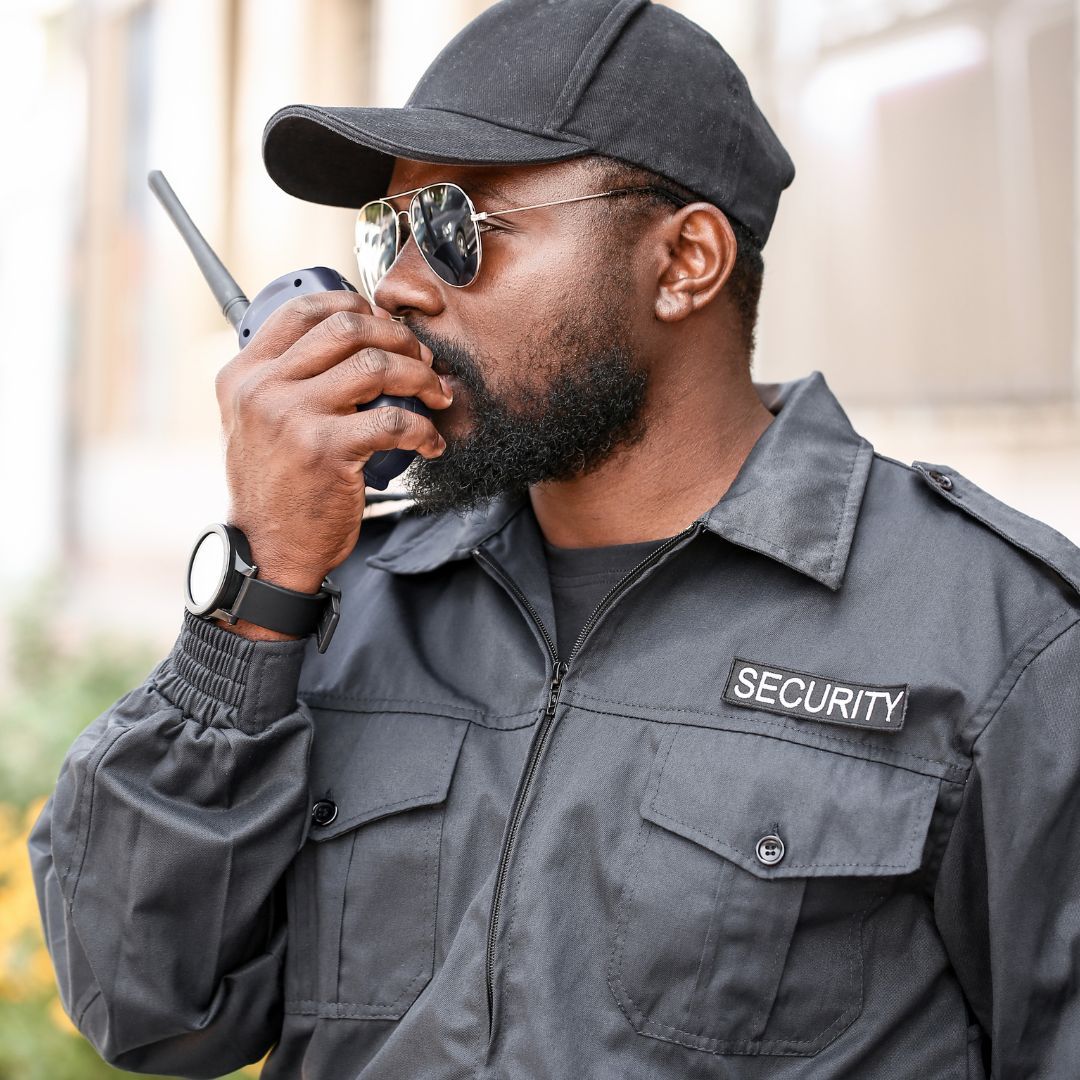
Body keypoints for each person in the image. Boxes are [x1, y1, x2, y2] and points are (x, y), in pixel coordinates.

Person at [29, 1, 1080, 1077]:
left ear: (685, 263)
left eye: (458, 229)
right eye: (386, 231)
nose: (394, 284)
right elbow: (147, 1000)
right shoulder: (347, 595)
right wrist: (260, 590)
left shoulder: (997, 638)